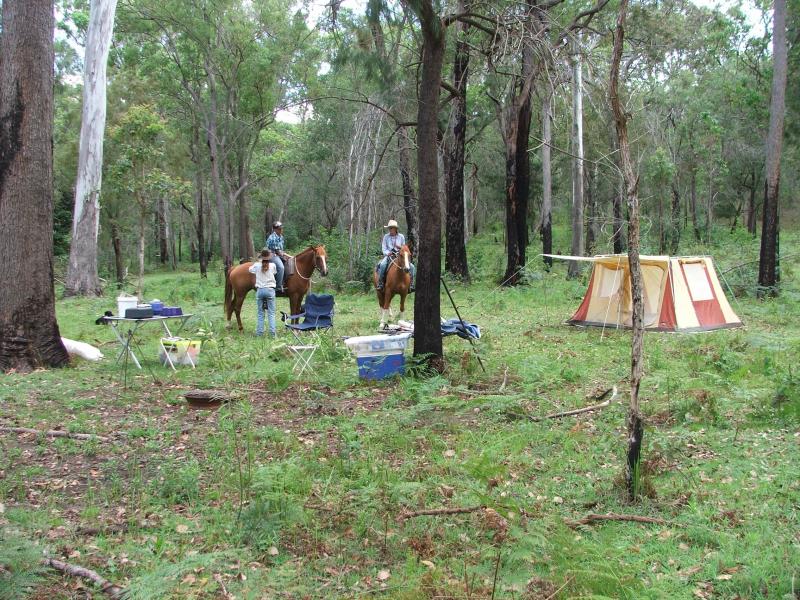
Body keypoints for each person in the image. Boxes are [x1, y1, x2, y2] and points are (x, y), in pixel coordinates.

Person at [376, 219, 415, 291]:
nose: (390, 229)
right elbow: (384, 248)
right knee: (382, 265)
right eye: (389, 228)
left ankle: (411, 284)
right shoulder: (386, 237)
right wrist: (388, 253)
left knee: (412, 267)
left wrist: (399, 247)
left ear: (395, 228)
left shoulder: (401, 236)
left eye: (391, 228)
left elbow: (404, 248)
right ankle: (380, 283)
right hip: (389, 255)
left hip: (400, 255)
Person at [248, 249, 277, 337]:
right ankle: (272, 334)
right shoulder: (273, 265)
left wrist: (258, 261)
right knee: (271, 313)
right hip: (270, 290)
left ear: (261, 257)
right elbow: (275, 273)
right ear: (269, 257)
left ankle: (259, 333)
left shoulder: (257, 265)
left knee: (260, 313)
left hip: (260, 290)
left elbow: (250, 270)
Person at [265, 221, 287, 291]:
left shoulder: (281, 237)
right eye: (279, 229)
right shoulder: (273, 237)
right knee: (281, 267)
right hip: (271, 255)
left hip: (278, 254)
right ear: (275, 229)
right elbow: (278, 251)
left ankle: (285, 282)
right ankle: (278, 287)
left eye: (281, 229)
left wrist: (285, 255)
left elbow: (281, 250)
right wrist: (288, 255)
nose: (281, 230)